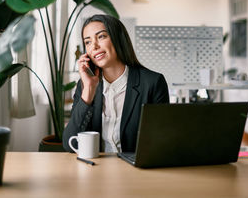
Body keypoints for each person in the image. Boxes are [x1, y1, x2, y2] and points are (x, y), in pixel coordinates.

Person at [63, 14, 169, 153]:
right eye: (87, 42)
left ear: (118, 39)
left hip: (136, 171)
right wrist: (88, 91)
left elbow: (161, 141)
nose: (94, 46)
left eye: (101, 37)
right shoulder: (84, 85)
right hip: (95, 169)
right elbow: (69, 144)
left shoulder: (153, 83)